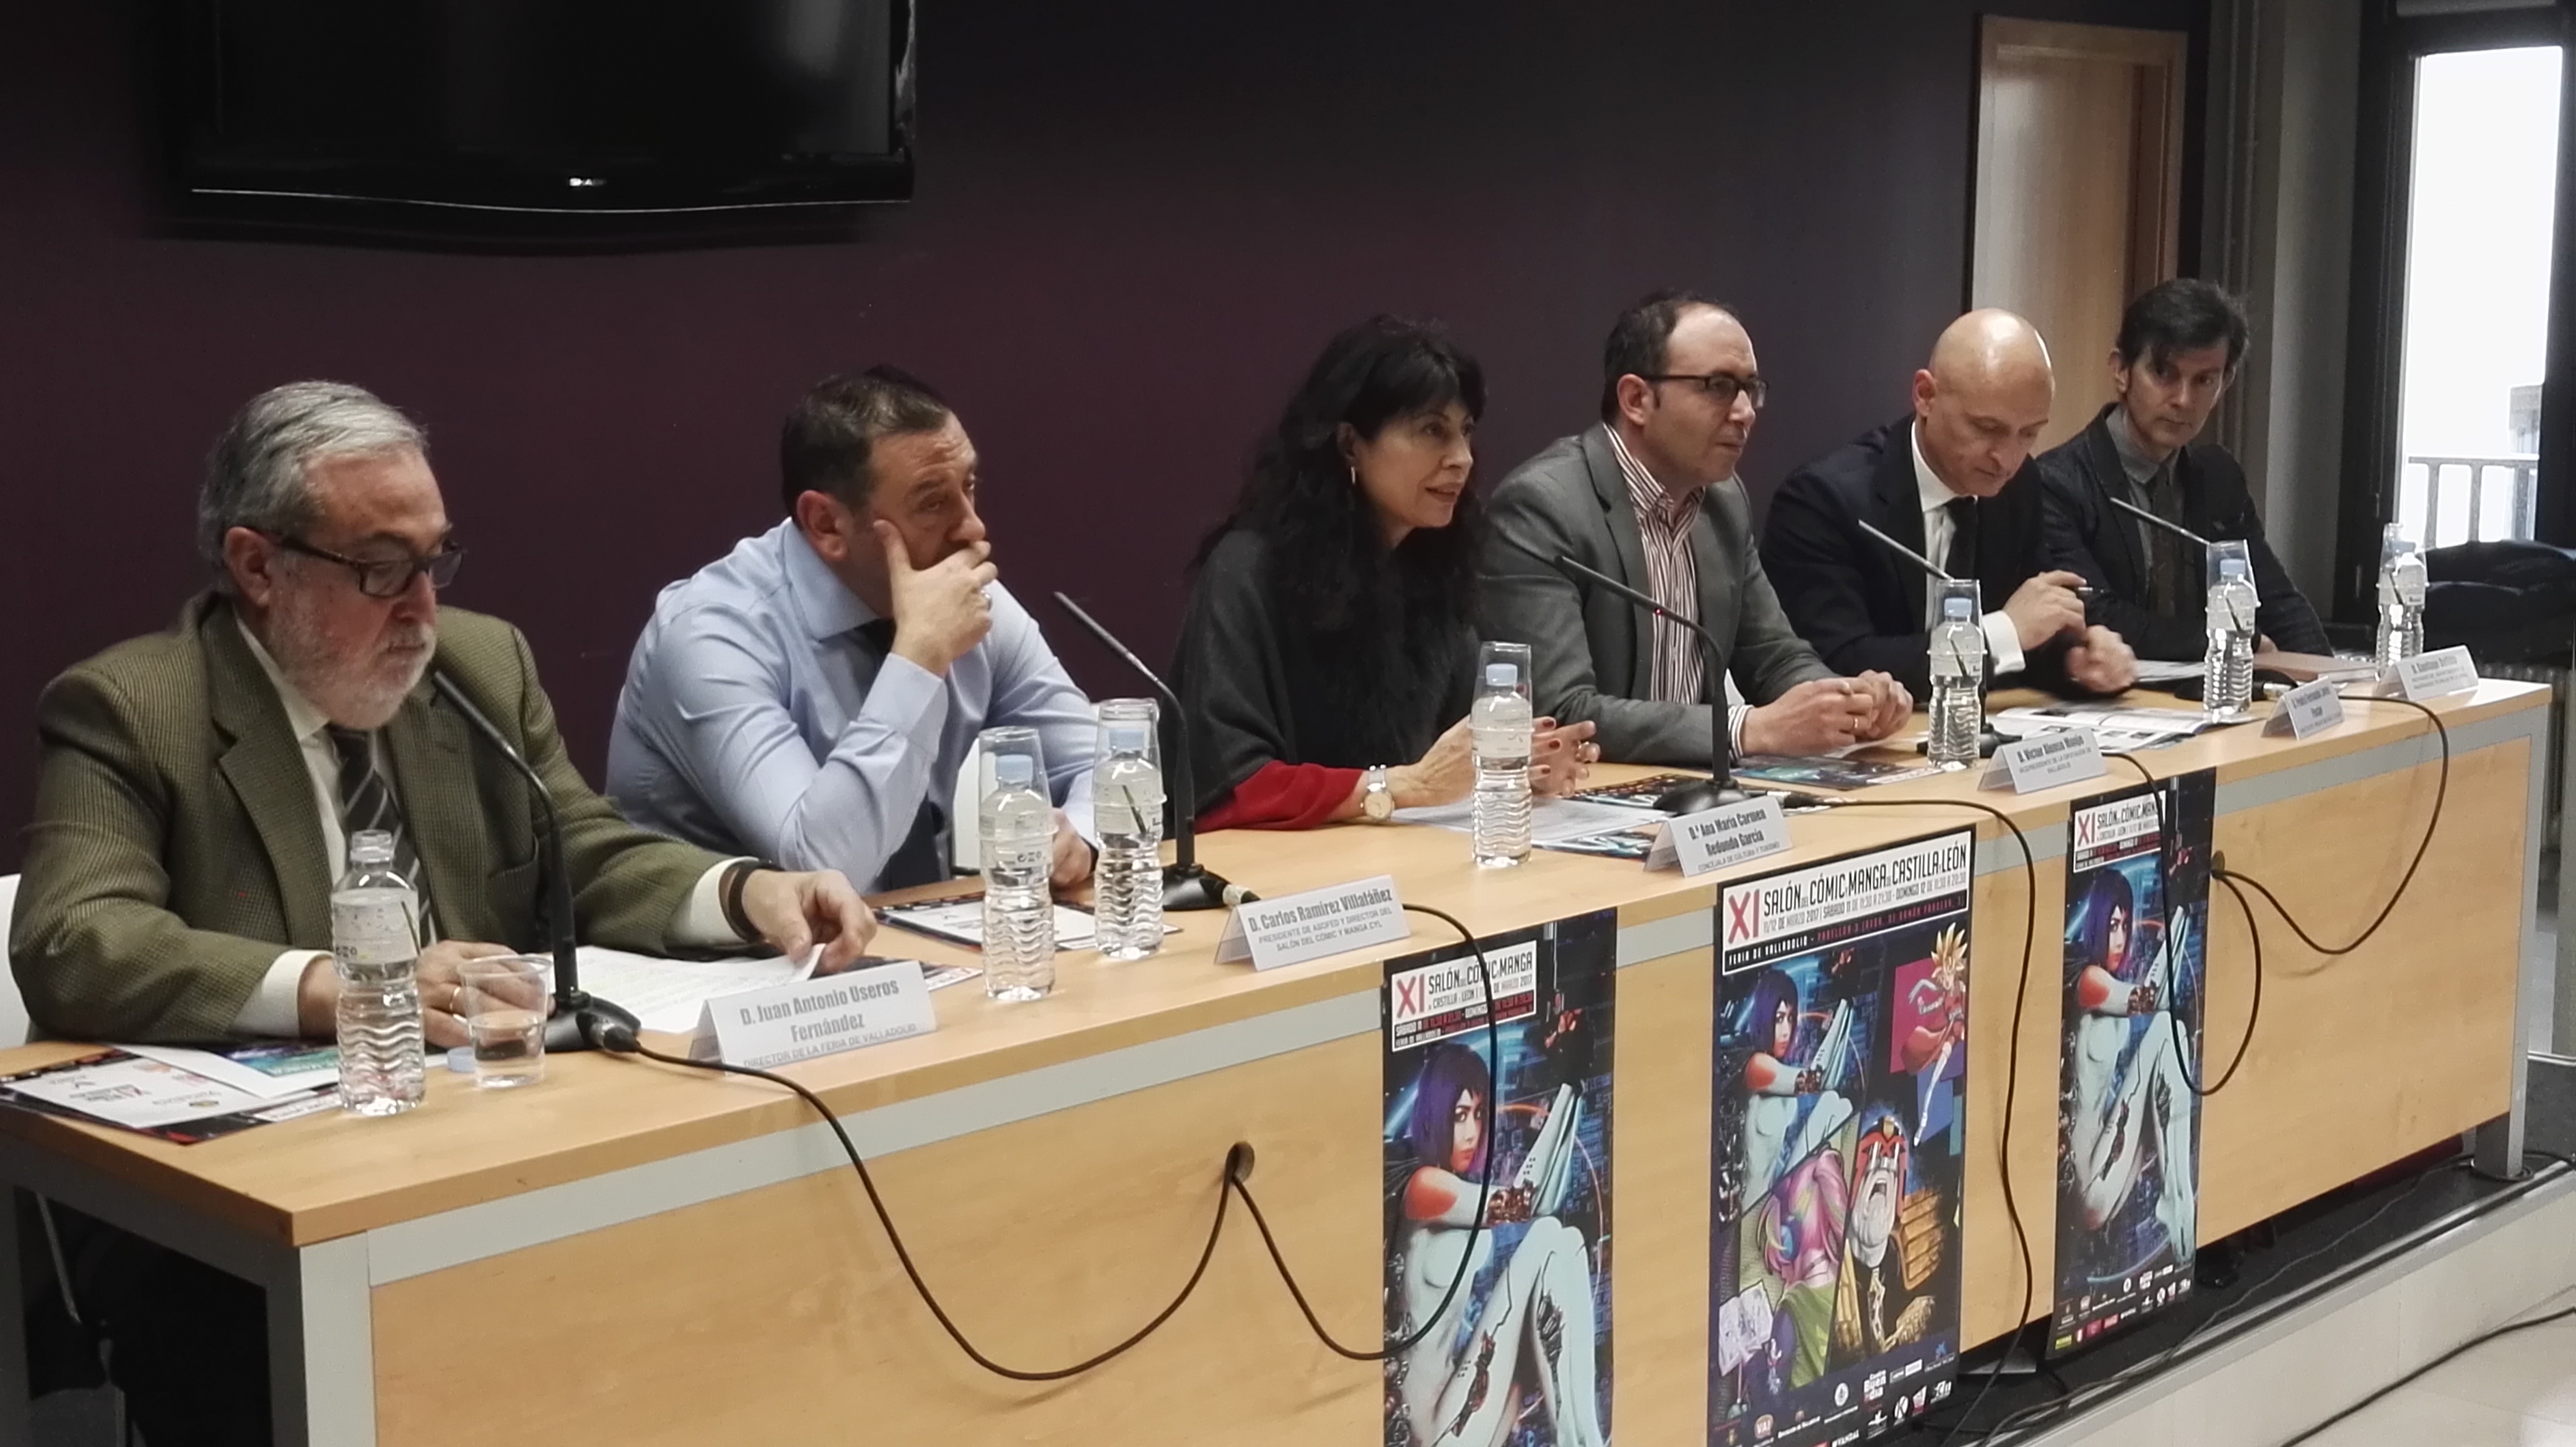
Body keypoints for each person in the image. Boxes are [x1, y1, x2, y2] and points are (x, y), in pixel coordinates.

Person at [8, 380, 875, 1446]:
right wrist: (348, 989)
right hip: (235, 1209)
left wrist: (749, 893)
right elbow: (75, 938)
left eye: (435, 559)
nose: (420, 605)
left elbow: (582, 850)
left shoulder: (478, 665)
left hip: (480, 1132)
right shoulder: (133, 708)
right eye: (381, 568)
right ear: (257, 567)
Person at [610, 368, 1099, 892]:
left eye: (970, 487)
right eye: (932, 502)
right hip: (733, 941)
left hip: (916, 931)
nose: (973, 528)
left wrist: (1083, 837)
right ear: (826, 524)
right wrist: (918, 660)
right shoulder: (711, 636)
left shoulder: (962, 596)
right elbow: (822, 867)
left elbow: (1106, 764)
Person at [1172, 316, 1595, 829]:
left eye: (1465, 432)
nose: (1462, 459)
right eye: (1432, 431)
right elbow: (1228, 786)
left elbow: (1450, 757)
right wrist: (1401, 787)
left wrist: (1518, 762)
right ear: (1350, 443)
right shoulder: (1248, 569)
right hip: (1278, 870)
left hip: (1393, 857)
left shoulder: (1432, 570)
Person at [1481, 291, 1912, 767]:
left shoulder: (1723, 500)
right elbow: (1561, 712)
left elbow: (1775, 657)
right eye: (1718, 387)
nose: (1745, 412)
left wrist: (1846, 703)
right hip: (1581, 793)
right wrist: (1747, 729)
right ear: (1637, 399)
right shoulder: (1543, 507)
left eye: (1750, 388)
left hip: (1696, 791)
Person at [1763, 310, 2140, 700]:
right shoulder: (1823, 500)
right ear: (1925, 395)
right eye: (1987, 428)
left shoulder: (2018, 485)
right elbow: (1838, 661)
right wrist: (2002, 632)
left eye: (2029, 434)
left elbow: (2028, 632)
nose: (2007, 458)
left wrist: (2074, 658)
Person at [2039, 280, 2331, 659]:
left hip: (2210, 688)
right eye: (2164, 374)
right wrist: (2239, 640)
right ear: (2121, 371)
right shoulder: (2058, 483)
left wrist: (2333, 678)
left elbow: (2275, 598)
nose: (2183, 400)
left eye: (2204, 380)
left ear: (2225, 382)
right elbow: (2096, 613)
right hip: (2114, 688)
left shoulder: (2218, 476)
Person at [1390, 1041, 1609, 1447]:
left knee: (1564, 1239)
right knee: (1546, 1235)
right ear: (1436, 1116)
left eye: (1478, 1114)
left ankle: (1584, 1437)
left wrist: (1573, 1091)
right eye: (1459, 1116)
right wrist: (1566, 1086)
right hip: (1435, 1432)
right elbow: (1528, 1204)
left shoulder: (1456, 1190)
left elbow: (1546, 1201)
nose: (1472, 1132)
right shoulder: (1425, 1188)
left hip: (1465, 1403)